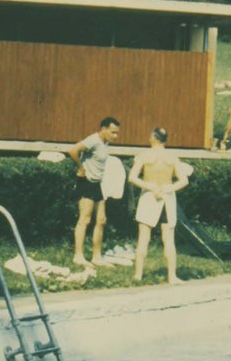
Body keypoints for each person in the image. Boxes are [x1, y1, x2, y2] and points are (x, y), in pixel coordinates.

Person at [128, 127, 190, 285]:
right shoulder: (172, 157)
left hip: (150, 195)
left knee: (144, 237)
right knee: (168, 238)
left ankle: (138, 275)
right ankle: (172, 276)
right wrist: (168, 188)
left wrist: (150, 186)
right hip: (167, 195)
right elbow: (184, 180)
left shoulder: (145, 156)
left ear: (153, 138)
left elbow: (132, 177)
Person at [66, 116, 121, 269]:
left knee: (101, 220)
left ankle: (97, 257)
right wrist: (81, 169)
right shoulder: (93, 140)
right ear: (103, 129)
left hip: (97, 184)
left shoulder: (104, 142)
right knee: (85, 219)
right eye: (113, 132)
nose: (115, 136)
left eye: (117, 133)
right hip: (86, 183)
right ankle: (78, 256)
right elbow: (72, 150)